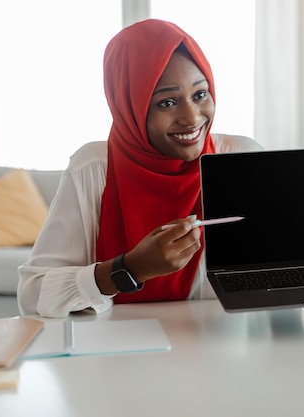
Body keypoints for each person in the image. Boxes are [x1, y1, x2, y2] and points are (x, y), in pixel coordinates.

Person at [17, 19, 262, 318]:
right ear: (128, 105)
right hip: (118, 353)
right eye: (167, 102)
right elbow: (33, 295)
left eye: (200, 95)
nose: (191, 117)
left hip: (223, 349)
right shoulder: (92, 168)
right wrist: (129, 268)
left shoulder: (241, 158)